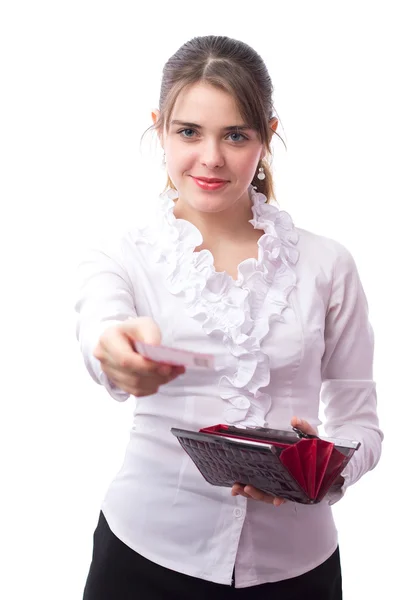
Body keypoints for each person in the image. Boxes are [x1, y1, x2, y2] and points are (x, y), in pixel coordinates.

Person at [76, 35, 383, 600]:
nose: (211, 157)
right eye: (188, 131)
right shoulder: (122, 255)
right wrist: (118, 355)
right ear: (159, 127)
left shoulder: (327, 265)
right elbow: (101, 328)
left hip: (297, 570)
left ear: (267, 135)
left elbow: (361, 424)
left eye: (236, 135)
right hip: (144, 557)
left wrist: (323, 469)